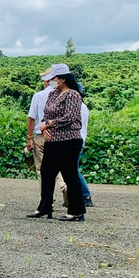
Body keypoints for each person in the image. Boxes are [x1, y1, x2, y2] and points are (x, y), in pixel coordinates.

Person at [26, 64, 86, 221]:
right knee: (46, 173)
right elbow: (45, 114)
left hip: (69, 141)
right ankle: (44, 207)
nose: (50, 81)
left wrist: (49, 124)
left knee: (70, 175)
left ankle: (76, 210)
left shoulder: (73, 95)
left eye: (54, 78)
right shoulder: (53, 94)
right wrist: (44, 127)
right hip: (52, 140)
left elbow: (69, 117)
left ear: (62, 79)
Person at [27, 67, 65, 201]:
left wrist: (29, 138)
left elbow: (31, 118)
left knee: (42, 169)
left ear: (48, 80)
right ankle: (64, 185)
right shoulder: (64, 94)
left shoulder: (39, 95)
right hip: (59, 135)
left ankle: (47, 197)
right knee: (60, 165)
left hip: (41, 136)